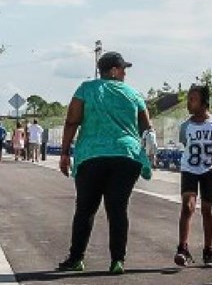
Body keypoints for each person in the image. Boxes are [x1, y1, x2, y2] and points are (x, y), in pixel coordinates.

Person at [56, 51, 152, 275]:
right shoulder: (133, 93)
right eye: (123, 69)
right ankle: (117, 261)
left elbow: (72, 121)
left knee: (85, 208)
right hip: (127, 156)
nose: (125, 73)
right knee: (117, 208)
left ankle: (76, 258)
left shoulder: (86, 89)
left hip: (92, 156)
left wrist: (64, 152)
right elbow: (147, 127)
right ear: (113, 70)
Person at [174, 84, 212, 268]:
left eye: (193, 99)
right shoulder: (185, 126)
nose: (189, 103)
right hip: (189, 169)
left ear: (204, 102)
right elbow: (186, 145)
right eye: (188, 99)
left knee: (207, 210)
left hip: (208, 170)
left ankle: (208, 250)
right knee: (188, 207)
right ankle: (182, 248)